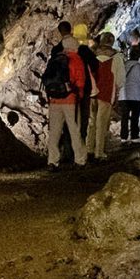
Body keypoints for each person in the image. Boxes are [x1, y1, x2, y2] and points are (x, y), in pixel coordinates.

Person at [44, 21, 88, 170]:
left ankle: (52, 161)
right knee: (74, 129)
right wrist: (79, 95)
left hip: (55, 100)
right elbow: (80, 82)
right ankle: (80, 159)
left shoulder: (55, 58)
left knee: (54, 131)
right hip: (70, 100)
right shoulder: (76, 60)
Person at [87, 32, 125, 161]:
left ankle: (89, 149)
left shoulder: (91, 54)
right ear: (112, 42)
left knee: (91, 122)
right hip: (106, 92)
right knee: (102, 122)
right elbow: (120, 79)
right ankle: (99, 151)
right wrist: (118, 91)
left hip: (91, 92)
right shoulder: (116, 57)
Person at [119, 50, 140, 143]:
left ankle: (123, 137)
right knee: (135, 116)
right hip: (137, 95)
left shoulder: (123, 66)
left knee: (124, 117)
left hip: (123, 95)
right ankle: (134, 136)